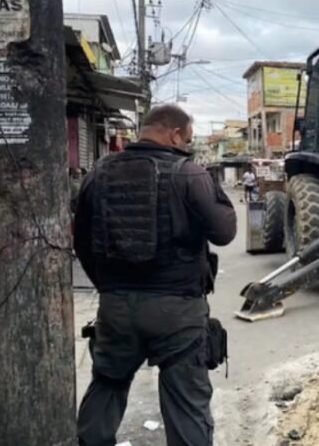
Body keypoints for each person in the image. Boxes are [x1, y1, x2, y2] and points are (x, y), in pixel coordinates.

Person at [74, 104, 237, 446]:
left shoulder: (98, 174)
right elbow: (224, 232)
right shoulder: (189, 174)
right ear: (175, 135)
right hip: (177, 312)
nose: (187, 146)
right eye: (187, 140)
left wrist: (109, 288)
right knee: (186, 404)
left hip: (116, 308)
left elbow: (82, 243)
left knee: (107, 386)